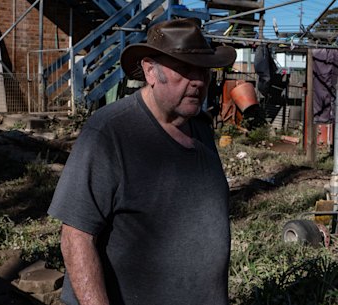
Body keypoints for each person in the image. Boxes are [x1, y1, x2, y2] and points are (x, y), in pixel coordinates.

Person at [47, 18, 237, 305]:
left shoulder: (200, 128)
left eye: (204, 70)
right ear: (150, 71)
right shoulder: (111, 131)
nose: (198, 80)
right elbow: (76, 238)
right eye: (185, 69)